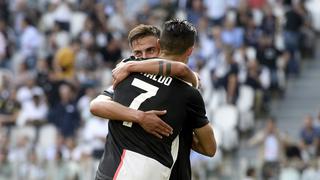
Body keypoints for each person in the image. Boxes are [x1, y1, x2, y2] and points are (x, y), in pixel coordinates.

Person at [91, 19, 216, 180]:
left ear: (160, 46)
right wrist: (140, 117)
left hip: (127, 170)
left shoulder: (128, 70)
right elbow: (96, 105)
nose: (143, 58)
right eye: (137, 53)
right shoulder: (188, 92)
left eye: (150, 51)